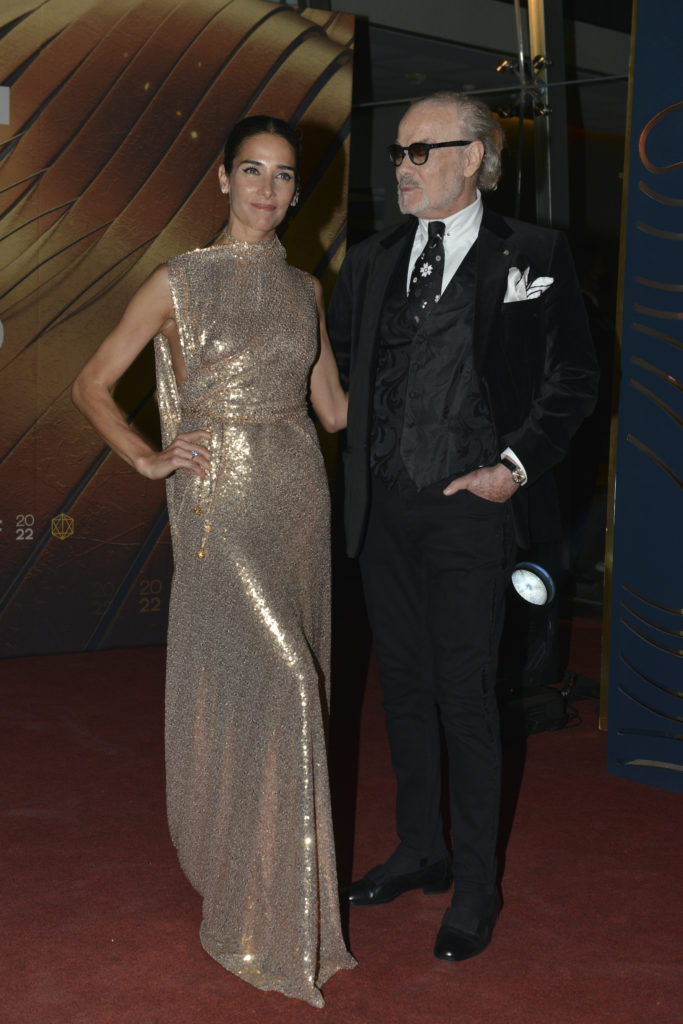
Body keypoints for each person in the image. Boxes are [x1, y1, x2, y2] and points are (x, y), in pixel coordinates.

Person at [72, 115, 355, 1007]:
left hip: (298, 493)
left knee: (287, 680)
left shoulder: (305, 289)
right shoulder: (179, 280)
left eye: (284, 175)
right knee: (288, 682)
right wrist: (147, 457)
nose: (269, 189)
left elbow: (334, 411)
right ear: (223, 180)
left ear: (296, 191)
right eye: (252, 171)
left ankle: (263, 867)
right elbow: (91, 381)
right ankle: (257, 904)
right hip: (220, 499)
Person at [327, 92, 598, 962]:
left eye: (420, 151)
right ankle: (420, 848)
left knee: (465, 695)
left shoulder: (535, 254)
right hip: (384, 509)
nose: (400, 168)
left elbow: (573, 380)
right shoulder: (371, 260)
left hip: (471, 512)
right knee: (402, 689)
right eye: (396, 153)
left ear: (474, 156)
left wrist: (510, 468)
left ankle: (477, 881)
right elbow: (345, 369)